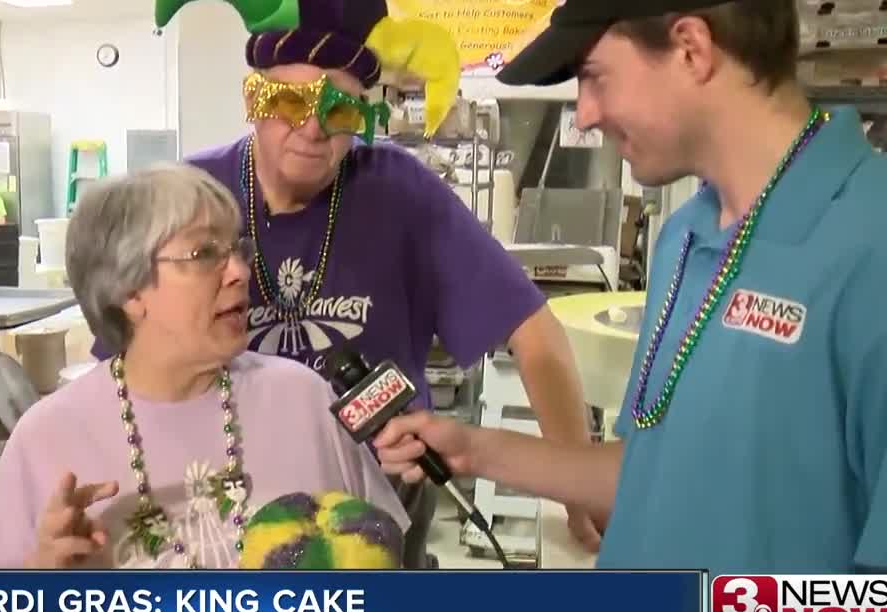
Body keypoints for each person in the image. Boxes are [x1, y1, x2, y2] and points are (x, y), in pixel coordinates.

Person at [375, 1, 887, 612]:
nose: (583, 114)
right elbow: (658, 474)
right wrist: (471, 449)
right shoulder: (685, 239)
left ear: (690, 48)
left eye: (595, 78)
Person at [149, 0, 601, 575]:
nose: (312, 128)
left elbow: (535, 336)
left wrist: (578, 487)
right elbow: (127, 355)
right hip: (224, 491)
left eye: (339, 111)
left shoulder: (398, 191)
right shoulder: (190, 194)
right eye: (289, 101)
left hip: (380, 494)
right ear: (253, 100)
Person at [0, 164, 409, 612]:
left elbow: (380, 577)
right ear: (131, 291)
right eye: (205, 255)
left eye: (238, 250)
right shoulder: (47, 438)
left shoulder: (301, 397)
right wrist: (43, 582)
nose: (239, 272)